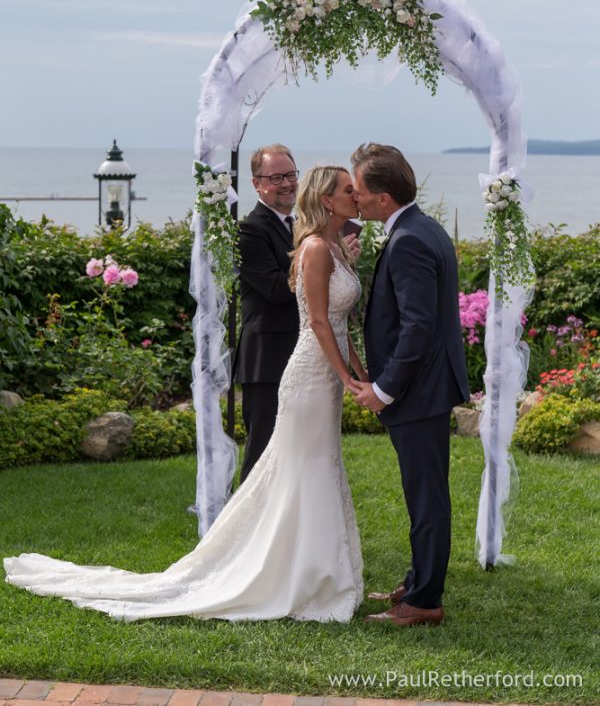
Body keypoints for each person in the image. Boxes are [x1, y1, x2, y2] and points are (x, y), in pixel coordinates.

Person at [4, 166, 366, 623]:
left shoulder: (335, 247)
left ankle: (321, 571)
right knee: (303, 471)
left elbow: (340, 323)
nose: (358, 195)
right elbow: (316, 322)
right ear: (328, 200)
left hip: (327, 378)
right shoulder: (314, 247)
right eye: (348, 190)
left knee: (319, 468)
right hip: (310, 376)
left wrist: (359, 373)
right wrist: (348, 377)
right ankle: (299, 576)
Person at [349, 143, 469, 628]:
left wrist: (384, 389)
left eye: (358, 190)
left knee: (425, 497)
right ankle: (420, 578)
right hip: (427, 389)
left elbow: (418, 328)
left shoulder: (410, 240)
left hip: (418, 391)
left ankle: (424, 601)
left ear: (381, 197)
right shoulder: (422, 228)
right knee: (425, 491)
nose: (354, 198)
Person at [233, 144, 300, 482]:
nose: (287, 184)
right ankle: (243, 531)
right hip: (266, 359)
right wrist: (319, 260)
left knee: (293, 452)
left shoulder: (298, 226)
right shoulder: (249, 231)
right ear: (257, 184)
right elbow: (275, 290)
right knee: (261, 453)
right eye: (276, 178)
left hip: (299, 355)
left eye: (290, 175)